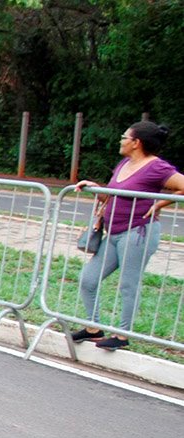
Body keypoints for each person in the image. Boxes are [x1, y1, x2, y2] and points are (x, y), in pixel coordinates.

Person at [72, 121, 184, 350]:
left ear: (136, 142)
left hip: (138, 233)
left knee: (128, 284)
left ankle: (122, 336)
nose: (121, 140)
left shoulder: (157, 167)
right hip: (113, 232)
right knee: (88, 279)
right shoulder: (124, 163)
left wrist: (160, 203)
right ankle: (93, 328)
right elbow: (117, 197)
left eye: (124, 137)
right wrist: (97, 189)